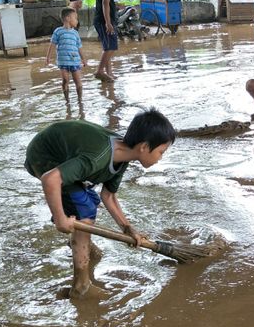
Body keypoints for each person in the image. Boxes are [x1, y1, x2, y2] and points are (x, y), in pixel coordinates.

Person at [24, 109, 176, 298]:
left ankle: (79, 245)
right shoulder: (99, 156)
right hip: (43, 155)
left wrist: (127, 228)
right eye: (161, 152)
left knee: (91, 200)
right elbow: (51, 179)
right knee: (84, 208)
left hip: (67, 155)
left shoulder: (123, 157)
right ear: (144, 147)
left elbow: (108, 196)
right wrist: (62, 219)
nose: (161, 158)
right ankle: (81, 286)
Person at [45, 8, 87, 103]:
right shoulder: (58, 31)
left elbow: (79, 47)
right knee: (65, 80)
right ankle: (67, 101)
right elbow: (52, 44)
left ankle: (80, 101)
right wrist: (48, 57)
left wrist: (83, 59)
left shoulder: (75, 34)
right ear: (68, 18)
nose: (77, 20)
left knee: (78, 83)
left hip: (75, 61)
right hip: (63, 61)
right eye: (75, 18)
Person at [94, 0, 123, 82]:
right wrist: (108, 22)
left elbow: (108, 2)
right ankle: (100, 71)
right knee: (111, 47)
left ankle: (108, 73)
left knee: (108, 47)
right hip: (103, 21)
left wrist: (116, 6)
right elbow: (105, 2)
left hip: (102, 20)